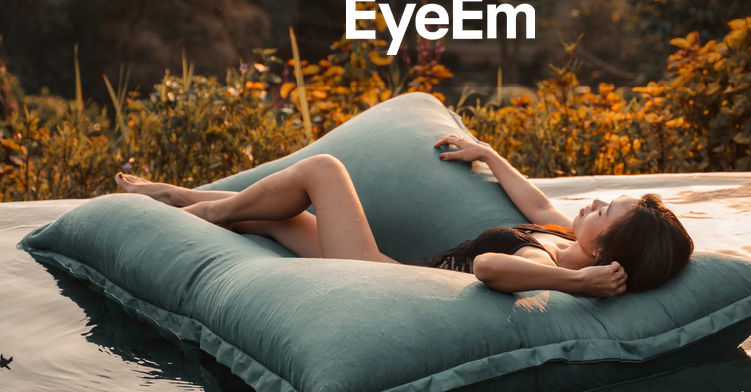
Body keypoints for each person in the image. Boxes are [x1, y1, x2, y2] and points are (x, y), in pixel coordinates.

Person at [114, 133, 693, 298]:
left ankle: (184, 207)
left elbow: (491, 268)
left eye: (604, 210)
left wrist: (576, 281)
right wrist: (489, 155)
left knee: (325, 172)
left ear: (605, 253)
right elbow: (538, 204)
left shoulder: (546, 260)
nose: (591, 203)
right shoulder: (561, 235)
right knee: (266, 221)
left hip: (376, 278)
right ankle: (179, 198)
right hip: (392, 266)